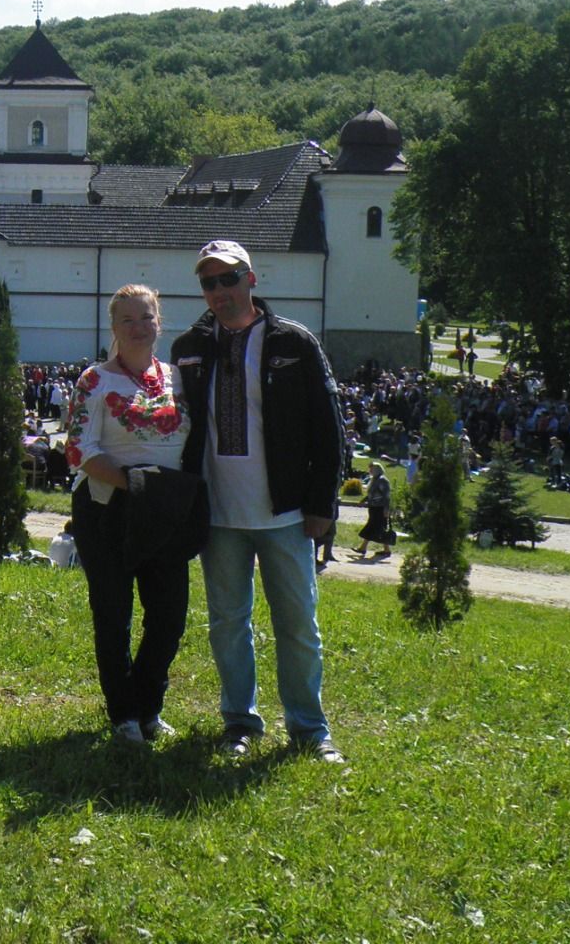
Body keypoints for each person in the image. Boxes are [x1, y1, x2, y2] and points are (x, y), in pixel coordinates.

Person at [173, 240, 347, 763]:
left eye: (228, 279)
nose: (219, 291)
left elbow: (329, 428)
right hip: (219, 514)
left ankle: (309, 729)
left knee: (298, 625)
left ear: (251, 279)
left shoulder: (294, 342)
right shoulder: (188, 347)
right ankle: (240, 722)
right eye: (209, 282)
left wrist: (322, 505)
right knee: (228, 624)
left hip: (285, 512)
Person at [65, 283, 197, 745]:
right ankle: (124, 715)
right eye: (128, 320)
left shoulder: (178, 379)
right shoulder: (95, 380)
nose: (139, 327)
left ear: (159, 322)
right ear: (114, 327)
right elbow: (79, 449)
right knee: (113, 614)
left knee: (169, 616)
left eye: (147, 317)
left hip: (165, 511)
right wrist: (138, 484)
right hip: (108, 509)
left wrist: (164, 493)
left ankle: (148, 706)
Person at [350, 461, 392, 561]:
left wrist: (386, 508)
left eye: (371, 468)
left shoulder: (382, 480)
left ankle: (363, 548)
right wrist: (363, 500)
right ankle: (386, 550)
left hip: (380, 508)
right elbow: (371, 494)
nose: (370, 470)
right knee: (379, 528)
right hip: (373, 507)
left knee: (373, 526)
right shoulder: (374, 480)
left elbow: (386, 496)